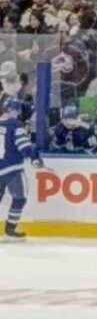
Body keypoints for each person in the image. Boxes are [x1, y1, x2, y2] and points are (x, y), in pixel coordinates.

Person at [2, 97, 46, 238]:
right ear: (15, 110)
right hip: (12, 168)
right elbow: (24, 146)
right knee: (20, 198)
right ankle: (10, 229)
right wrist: (34, 158)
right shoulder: (15, 126)